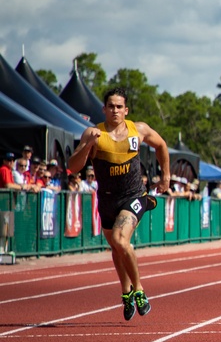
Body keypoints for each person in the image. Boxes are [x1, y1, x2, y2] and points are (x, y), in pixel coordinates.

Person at [67, 87, 171, 322]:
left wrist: (165, 177)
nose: (115, 110)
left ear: (126, 110)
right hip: (107, 199)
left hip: (134, 195)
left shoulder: (139, 130)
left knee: (120, 239)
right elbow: (73, 167)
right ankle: (126, 292)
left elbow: (162, 146)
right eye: (110, 106)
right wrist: (87, 146)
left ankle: (139, 289)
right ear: (104, 109)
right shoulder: (94, 133)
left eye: (119, 106)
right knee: (116, 248)